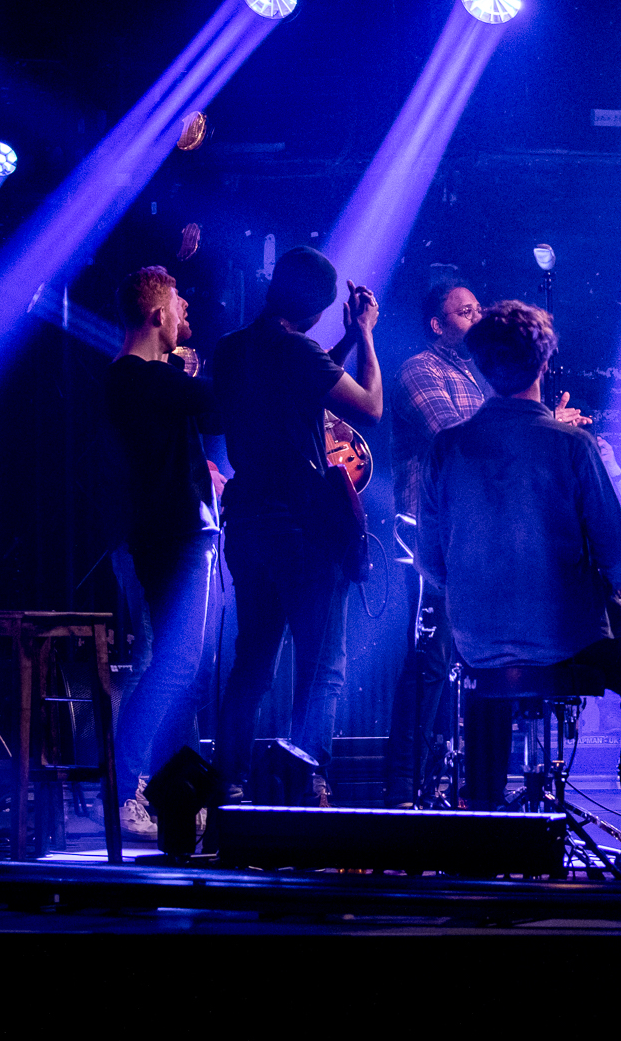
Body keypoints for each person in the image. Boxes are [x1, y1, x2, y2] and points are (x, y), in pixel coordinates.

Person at [419, 300, 621, 874]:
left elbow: (432, 564)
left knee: (485, 680)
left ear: (480, 365)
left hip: (477, 642)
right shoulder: (574, 446)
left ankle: (485, 833)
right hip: (566, 640)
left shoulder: (444, 447)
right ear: (545, 363)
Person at [211, 247, 383, 803]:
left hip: (248, 522)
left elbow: (299, 379)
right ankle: (308, 784)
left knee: (252, 663)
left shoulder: (232, 348)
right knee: (321, 665)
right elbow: (370, 407)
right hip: (302, 529)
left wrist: (345, 341)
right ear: (314, 308)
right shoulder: (297, 350)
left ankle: (228, 785)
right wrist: (366, 336)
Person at [102, 267, 223, 838]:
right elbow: (216, 398)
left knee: (184, 670)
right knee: (174, 667)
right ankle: (124, 787)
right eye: (178, 307)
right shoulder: (138, 377)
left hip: (179, 534)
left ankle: (176, 796)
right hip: (173, 537)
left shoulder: (146, 378)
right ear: (156, 315)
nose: (185, 315)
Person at [383, 279, 487, 808]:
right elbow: (453, 434)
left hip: (471, 536)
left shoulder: (479, 377)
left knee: (466, 660)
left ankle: (451, 783)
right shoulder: (418, 370)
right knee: (430, 659)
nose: (478, 316)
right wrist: (531, 424)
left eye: (478, 308)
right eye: (465, 311)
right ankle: (403, 789)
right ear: (437, 325)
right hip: (430, 537)